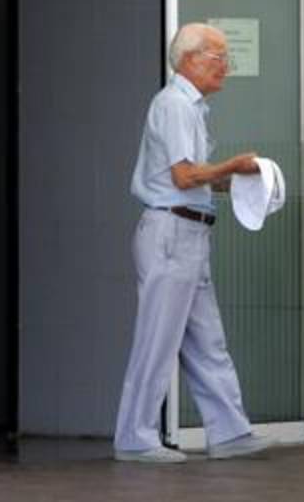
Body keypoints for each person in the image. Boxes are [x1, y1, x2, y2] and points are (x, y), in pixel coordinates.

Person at [113, 23, 272, 464]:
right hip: (172, 232)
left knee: (206, 338)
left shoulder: (190, 108)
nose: (226, 67)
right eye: (219, 57)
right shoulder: (176, 106)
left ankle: (230, 432)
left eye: (225, 57)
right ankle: (134, 437)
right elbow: (185, 176)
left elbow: (188, 180)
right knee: (158, 339)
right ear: (190, 59)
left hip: (188, 230)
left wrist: (237, 180)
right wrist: (233, 166)